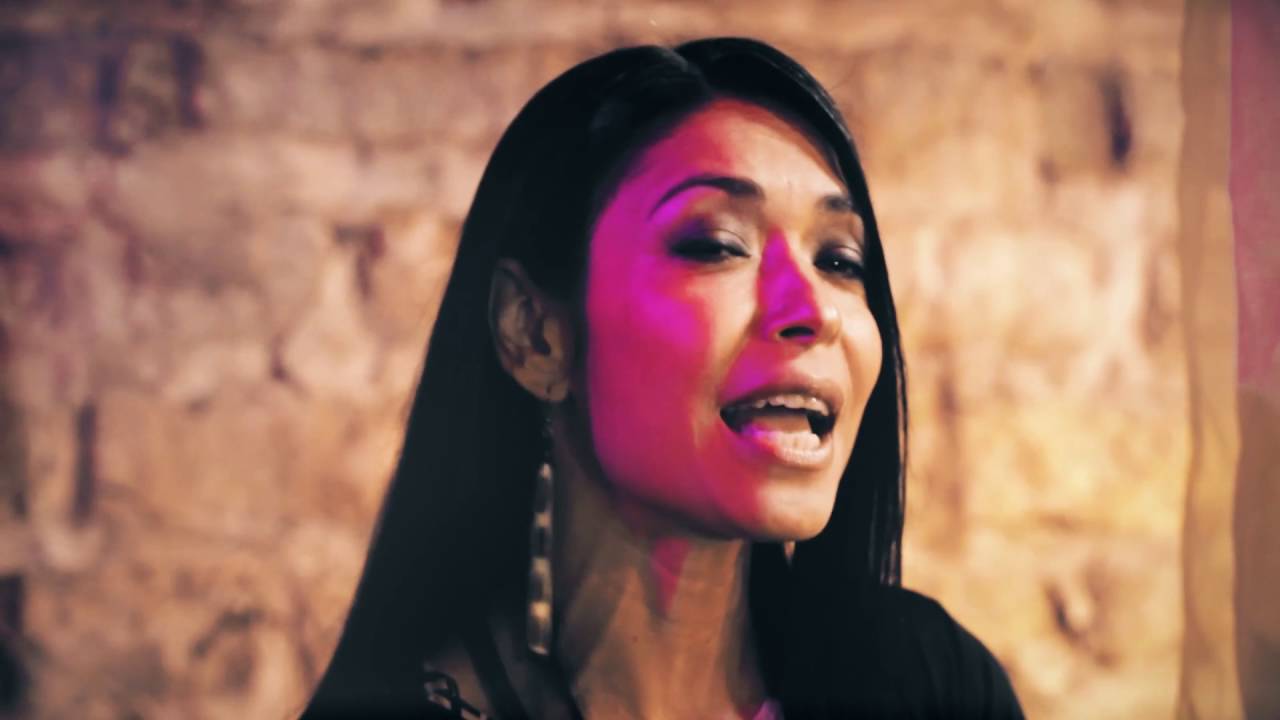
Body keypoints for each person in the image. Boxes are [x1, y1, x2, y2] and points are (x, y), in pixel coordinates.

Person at [300, 37, 1023, 719]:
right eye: (717, 244)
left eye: (839, 260)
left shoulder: (932, 684)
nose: (814, 310)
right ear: (535, 335)